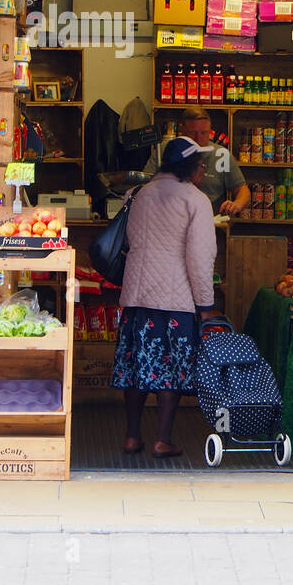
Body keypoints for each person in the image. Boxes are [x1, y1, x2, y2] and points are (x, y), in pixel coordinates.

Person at [111, 136, 218, 457]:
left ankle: (132, 436)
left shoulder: (137, 194)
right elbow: (200, 259)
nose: (204, 171)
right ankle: (162, 439)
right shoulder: (196, 201)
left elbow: (129, 240)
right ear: (190, 167)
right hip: (175, 299)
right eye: (201, 165)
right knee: (170, 369)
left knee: (135, 366)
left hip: (136, 294)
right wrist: (206, 305)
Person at [146, 107, 250, 217]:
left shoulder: (221, 154)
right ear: (182, 131)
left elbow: (243, 190)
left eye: (204, 133)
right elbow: (146, 182)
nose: (198, 139)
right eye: (192, 133)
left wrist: (237, 204)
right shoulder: (165, 149)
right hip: (169, 218)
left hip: (210, 221)